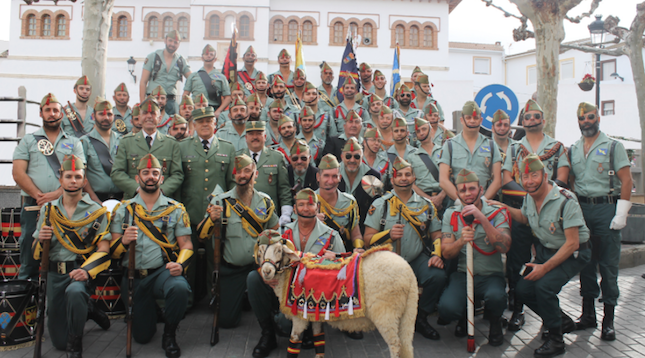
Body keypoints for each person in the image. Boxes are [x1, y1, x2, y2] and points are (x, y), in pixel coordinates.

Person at [491, 154, 591, 357]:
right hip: (547, 251)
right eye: (525, 177)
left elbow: (572, 243)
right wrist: (504, 208)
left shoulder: (565, 200)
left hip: (573, 252)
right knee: (523, 289)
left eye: (534, 176)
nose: (529, 181)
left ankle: (556, 340)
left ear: (545, 176)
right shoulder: (529, 196)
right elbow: (524, 217)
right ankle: (561, 320)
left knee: (544, 287)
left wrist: (544, 268)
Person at [110, 153, 193, 358]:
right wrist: (124, 241)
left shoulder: (175, 209)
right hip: (134, 276)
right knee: (143, 336)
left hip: (161, 272)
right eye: (145, 173)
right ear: (137, 178)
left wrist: (180, 265)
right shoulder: (124, 210)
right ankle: (153, 312)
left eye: (155, 173)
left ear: (161, 178)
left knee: (180, 287)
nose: (150, 177)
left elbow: (187, 245)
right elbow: (112, 251)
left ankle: (170, 334)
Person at [246, 191, 344, 358]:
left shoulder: (332, 236)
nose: (305, 208)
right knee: (254, 279)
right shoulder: (281, 234)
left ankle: (310, 330)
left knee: (287, 324)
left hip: (315, 299)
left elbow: (343, 273)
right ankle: (268, 334)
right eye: (301, 204)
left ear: (317, 207)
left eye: (310, 204)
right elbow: (265, 257)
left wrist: (332, 261)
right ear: (294, 208)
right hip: (287, 295)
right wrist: (265, 274)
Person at [32, 154, 112, 357]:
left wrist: (86, 271)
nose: (73, 181)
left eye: (78, 176)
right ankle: (89, 309)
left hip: (79, 271)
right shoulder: (48, 210)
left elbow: (104, 250)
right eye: (69, 176)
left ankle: (76, 343)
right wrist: (41, 239)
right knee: (59, 341)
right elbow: (35, 253)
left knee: (76, 293)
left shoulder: (97, 211)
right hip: (54, 274)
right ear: (61, 180)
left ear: (84, 180)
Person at [501, 99, 570, 331]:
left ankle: (548, 315)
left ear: (543, 119)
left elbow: (563, 176)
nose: (531, 120)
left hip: (550, 214)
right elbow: (506, 179)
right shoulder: (513, 147)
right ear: (522, 121)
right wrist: (531, 196)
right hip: (523, 210)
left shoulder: (557, 147)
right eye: (527, 117)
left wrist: (544, 196)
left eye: (535, 116)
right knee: (517, 262)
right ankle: (518, 311)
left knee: (545, 261)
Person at [569, 102, 633, 341]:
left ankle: (608, 320)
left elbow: (626, 180)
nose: (586, 121)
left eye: (590, 117)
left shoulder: (613, 146)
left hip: (606, 208)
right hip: (582, 210)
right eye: (582, 118)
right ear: (578, 121)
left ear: (598, 118)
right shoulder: (574, 148)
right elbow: (572, 179)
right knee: (585, 263)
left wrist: (621, 213)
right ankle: (588, 315)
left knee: (607, 266)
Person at [364, 156, 445, 340]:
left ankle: (420, 318)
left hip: (416, 258)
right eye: (399, 175)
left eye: (407, 174)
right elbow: (367, 239)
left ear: (414, 177)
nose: (403, 178)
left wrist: (437, 254)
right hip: (388, 261)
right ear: (392, 180)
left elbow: (436, 234)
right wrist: (388, 235)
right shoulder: (380, 205)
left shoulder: (426, 206)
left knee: (437, 276)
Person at [197, 154, 279, 328]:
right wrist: (211, 219)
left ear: (255, 174)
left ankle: (254, 300)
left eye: (247, 171)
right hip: (232, 269)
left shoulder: (265, 201)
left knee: (274, 313)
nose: (242, 175)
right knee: (226, 322)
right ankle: (241, 298)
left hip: (259, 268)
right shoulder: (220, 201)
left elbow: (276, 231)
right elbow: (202, 236)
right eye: (238, 171)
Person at [13, 93, 85, 280]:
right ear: (41, 113)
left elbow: (80, 172)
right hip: (34, 205)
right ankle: (27, 300)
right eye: (48, 110)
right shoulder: (29, 140)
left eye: (56, 110)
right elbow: (18, 172)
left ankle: (60, 293)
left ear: (61, 114)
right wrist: (39, 195)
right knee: (29, 250)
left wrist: (56, 194)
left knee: (66, 251)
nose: (52, 114)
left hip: (66, 205)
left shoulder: (74, 142)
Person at [438, 169, 512, 347]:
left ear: (480, 189)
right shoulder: (451, 214)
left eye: (472, 189)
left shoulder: (497, 211)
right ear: (457, 193)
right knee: (446, 309)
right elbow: (446, 253)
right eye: (463, 190)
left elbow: (504, 246)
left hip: (490, 275)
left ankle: (495, 323)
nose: (468, 194)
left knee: (496, 298)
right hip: (464, 275)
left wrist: (483, 219)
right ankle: (465, 315)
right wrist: (461, 241)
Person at [179, 106, 236, 298]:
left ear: (215, 123)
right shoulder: (182, 147)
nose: (204, 124)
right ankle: (187, 299)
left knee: (216, 258)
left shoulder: (227, 148)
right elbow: (179, 182)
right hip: (190, 213)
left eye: (208, 121)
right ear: (193, 124)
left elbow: (230, 185)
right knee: (188, 258)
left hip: (216, 215)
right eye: (200, 121)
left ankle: (215, 298)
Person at [111, 97, 183, 200]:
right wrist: (137, 189)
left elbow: (177, 174)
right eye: (145, 113)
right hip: (134, 200)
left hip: (162, 201)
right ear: (139, 118)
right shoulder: (126, 142)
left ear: (159, 118)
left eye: (153, 113)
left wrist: (161, 191)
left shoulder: (171, 144)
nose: (149, 116)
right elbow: (117, 173)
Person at [439, 101, 502, 202]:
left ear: (481, 120)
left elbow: (498, 180)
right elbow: (443, 180)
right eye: (468, 118)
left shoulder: (491, 145)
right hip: (458, 203)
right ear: (462, 120)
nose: (472, 121)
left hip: (485, 202)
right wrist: (459, 202)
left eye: (476, 118)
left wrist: (483, 202)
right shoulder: (449, 145)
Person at [238, 120, 293, 222]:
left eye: (259, 134)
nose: (255, 137)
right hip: (243, 215)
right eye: (251, 134)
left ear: (265, 136)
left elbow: (284, 189)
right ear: (246, 138)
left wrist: (286, 213)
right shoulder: (238, 158)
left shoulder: (276, 157)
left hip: (270, 215)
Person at [80, 98, 123, 202]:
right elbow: (82, 174)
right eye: (101, 114)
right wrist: (95, 200)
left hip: (121, 198)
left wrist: (124, 200)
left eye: (109, 114)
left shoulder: (122, 140)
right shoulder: (85, 142)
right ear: (93, 116)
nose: (106, 118)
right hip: (96, 199)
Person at [316, 154, 361, 252]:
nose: (331, 181)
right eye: (326, 176)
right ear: (318, 177)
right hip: (315, 257)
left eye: (334, 176)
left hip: (341, 256)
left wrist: (358, 248)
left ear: (340, 177)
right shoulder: (307, 200)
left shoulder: (349, 202)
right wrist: (310, 221)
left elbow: (356, 234)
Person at [140, 30, 192, 116]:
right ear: (165, 40)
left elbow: (192, 78)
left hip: (170, 101)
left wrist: (185, 96)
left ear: (179, 44)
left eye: (175, 42)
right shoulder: (153, 57)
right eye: (170, 41)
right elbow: (143, 81)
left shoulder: (181, 60)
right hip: (153, 99)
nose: (172, 44)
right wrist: (142, 102)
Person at [338, 137, 381, 233]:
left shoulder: (373, 175)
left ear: (362, 157)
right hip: (336, 229)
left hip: (364, 229)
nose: (352, 160)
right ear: (342, 157)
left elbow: (377, 207)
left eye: (357, 157)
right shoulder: (333, 173)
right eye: (348, 156)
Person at [408, 117, 447, 213]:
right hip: (422, 201)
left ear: (431, 130)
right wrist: (429, 199)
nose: (421, 133)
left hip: (445, 199)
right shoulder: (411, 157)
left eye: (424, 129)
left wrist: (440, 197)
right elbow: (411, 184)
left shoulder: (445, 151)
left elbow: (452, 177)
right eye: (418, 131)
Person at [183, 44, 231, 119]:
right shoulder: (193, 76)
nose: (208, 56)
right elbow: (186, 94)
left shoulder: (221, 77)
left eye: (211, 54)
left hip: (213, 110)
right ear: (202, 58)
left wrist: (218, 111)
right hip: (196, 109)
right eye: (206, 54)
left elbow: (228, 97)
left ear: (215, 59)